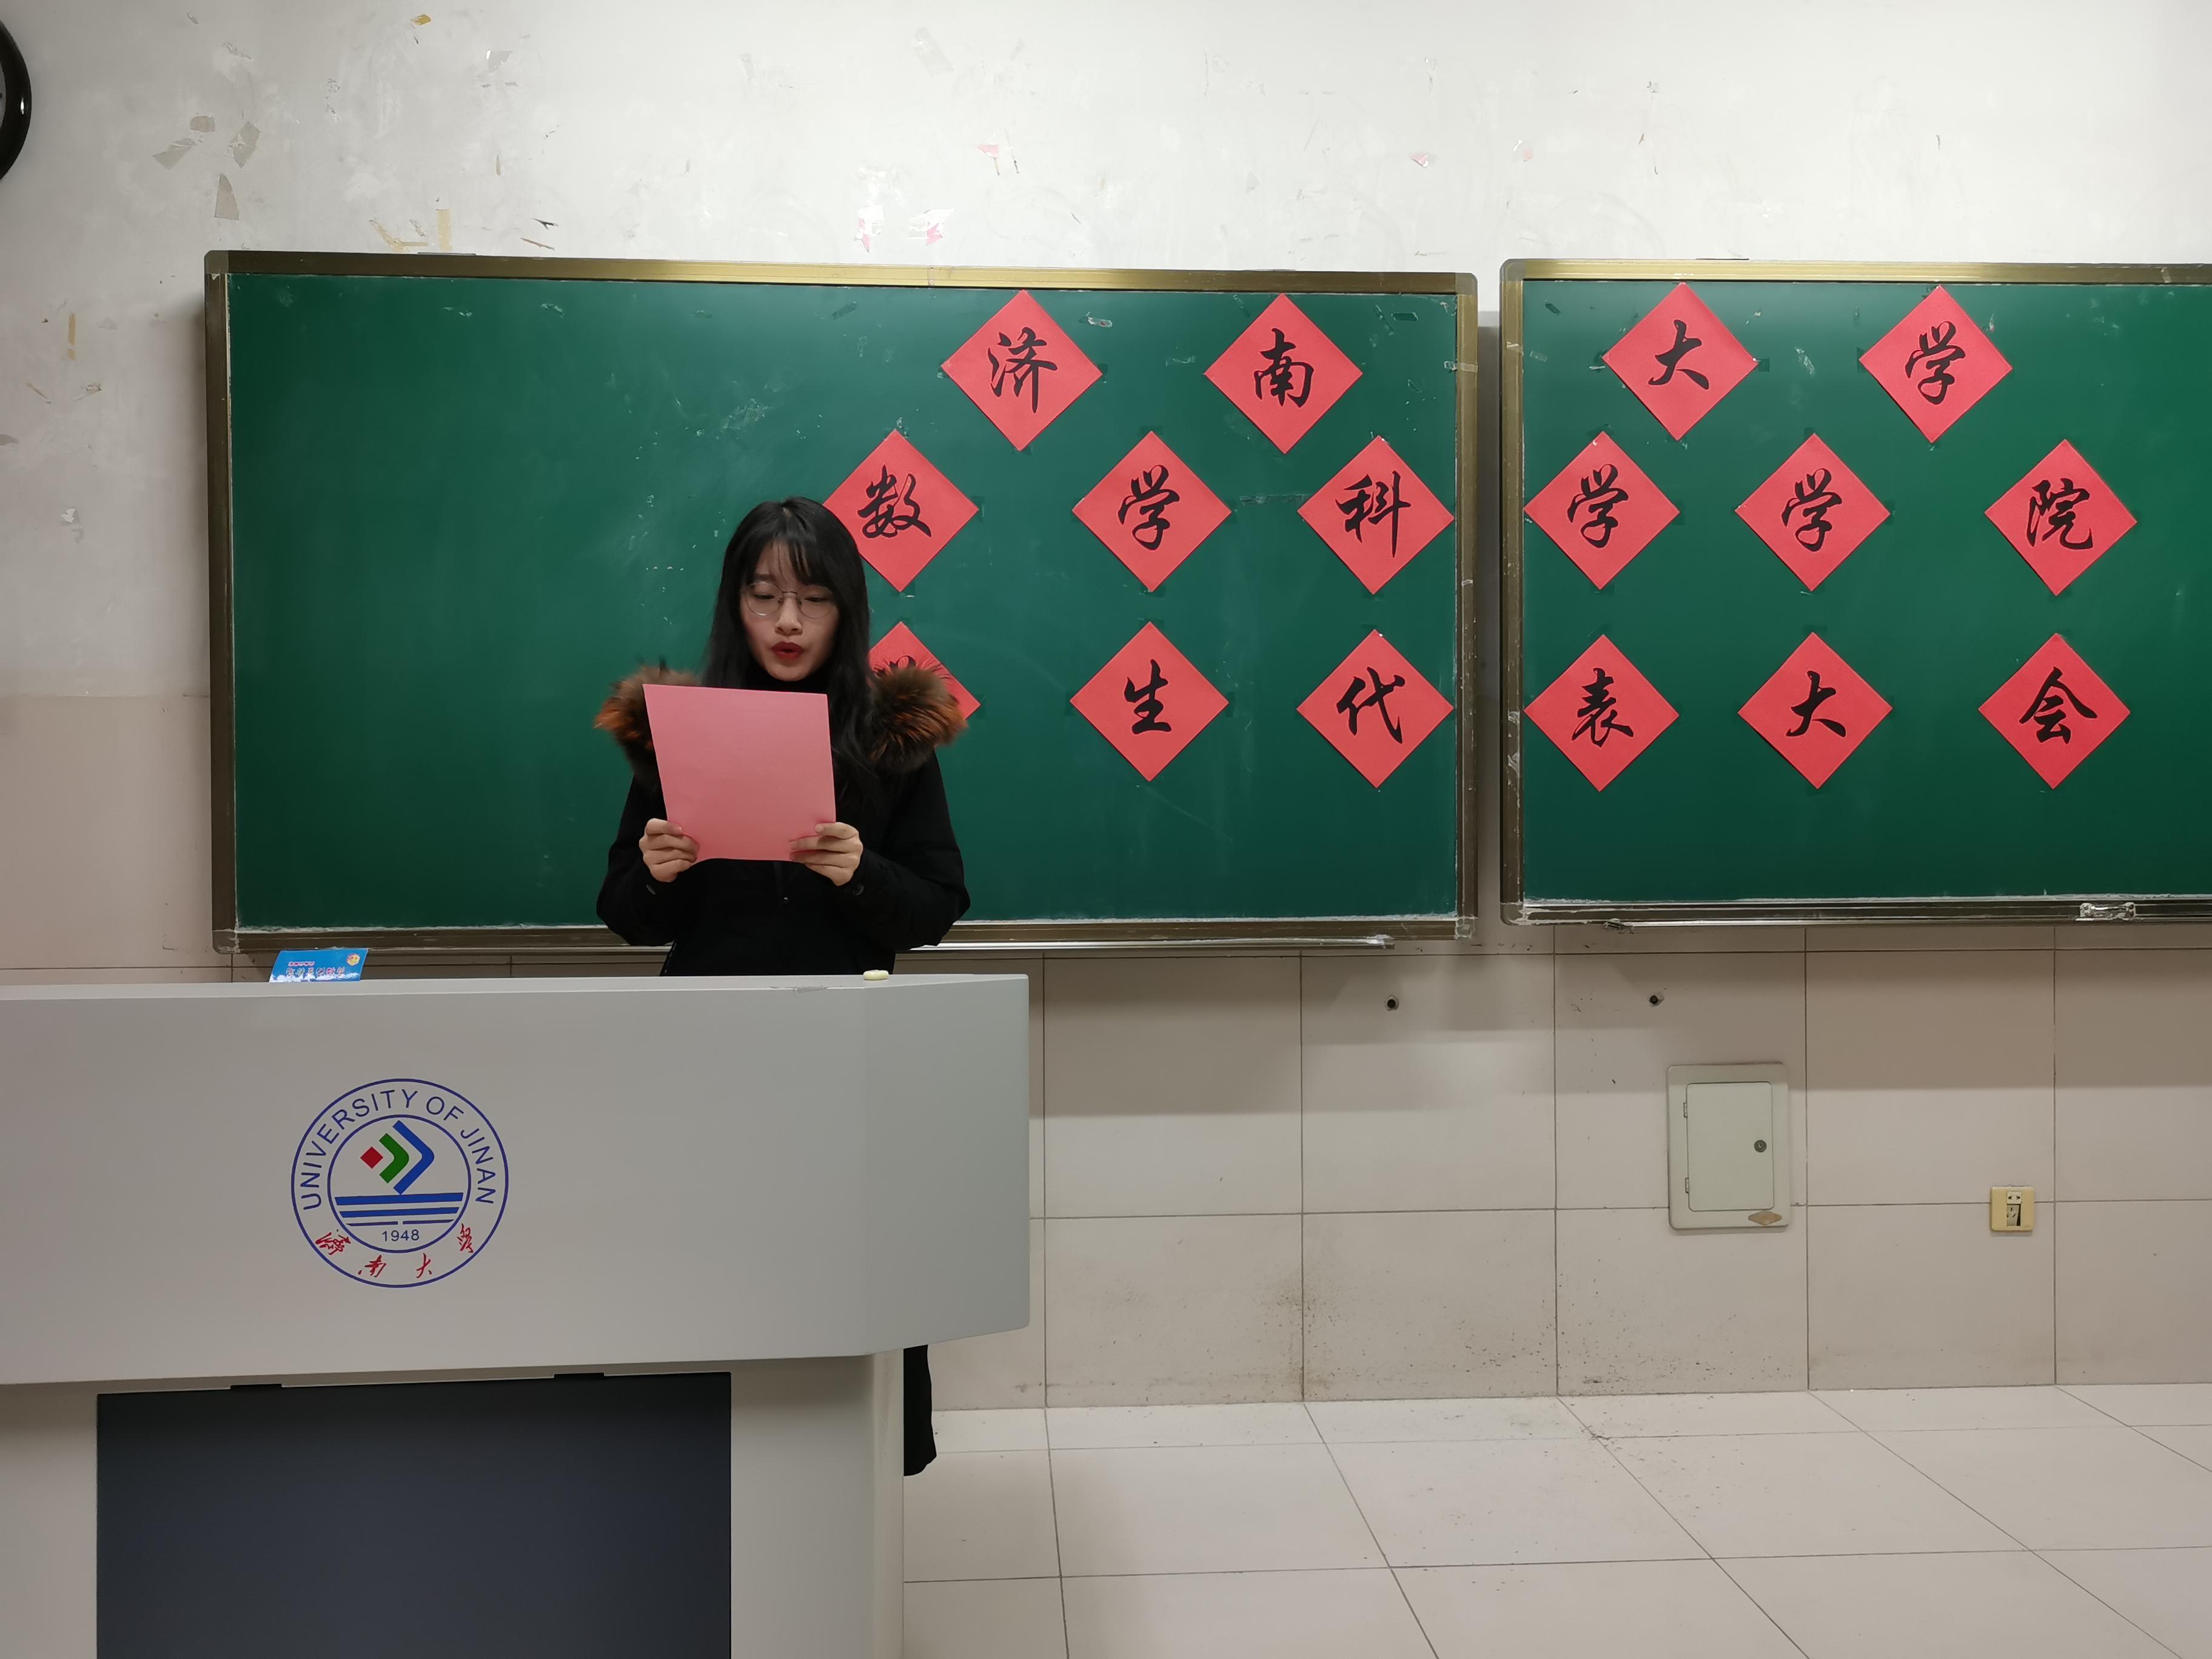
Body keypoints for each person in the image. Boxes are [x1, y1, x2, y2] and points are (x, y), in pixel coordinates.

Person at [595, 496, 970, 1475]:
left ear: (849, 608)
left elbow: (936, 906)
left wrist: (860, 871)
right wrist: (658, 872)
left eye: (813, 598)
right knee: (711, 1267)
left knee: (856, 1269)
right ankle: (710, 1472)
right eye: (764, 597)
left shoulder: (891, 736)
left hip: (849, 1059)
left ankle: (864, 1468)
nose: (789, 622)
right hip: (708, 1057)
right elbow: (626, 913)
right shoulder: (677, 733)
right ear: (735, 605)